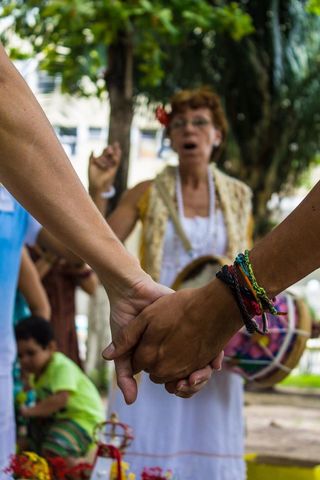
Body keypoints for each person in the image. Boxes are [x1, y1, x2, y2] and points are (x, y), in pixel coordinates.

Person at [89, 86, 252, 479]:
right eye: (178, 124)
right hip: (157, 336)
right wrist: (98, 190)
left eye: (200, 122)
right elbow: (99, 245)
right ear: (171, 138)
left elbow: (250, 268)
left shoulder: (240, 196)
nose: (188, 130)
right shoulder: (146, 192)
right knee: (144, 446)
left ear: (217, 136)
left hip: (216, 345)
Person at [15, 316, 105, 465]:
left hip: (84, 420)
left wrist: (29, 411)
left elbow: (60, 399)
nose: (24, 360)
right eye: (20, 355)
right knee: (33, 437)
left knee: (54, 449)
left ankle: (81, 470)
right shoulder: (36, 375)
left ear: (50, 347)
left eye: (31, 353)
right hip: (63, 419)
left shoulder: (61, 366)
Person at [30, 244, 98, 366]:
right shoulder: (29, 247)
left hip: (66, 329)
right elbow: (26, 283)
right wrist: (52, 254)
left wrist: (76, 261)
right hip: (36, 326)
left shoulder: (68, 254)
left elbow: (92, 288)